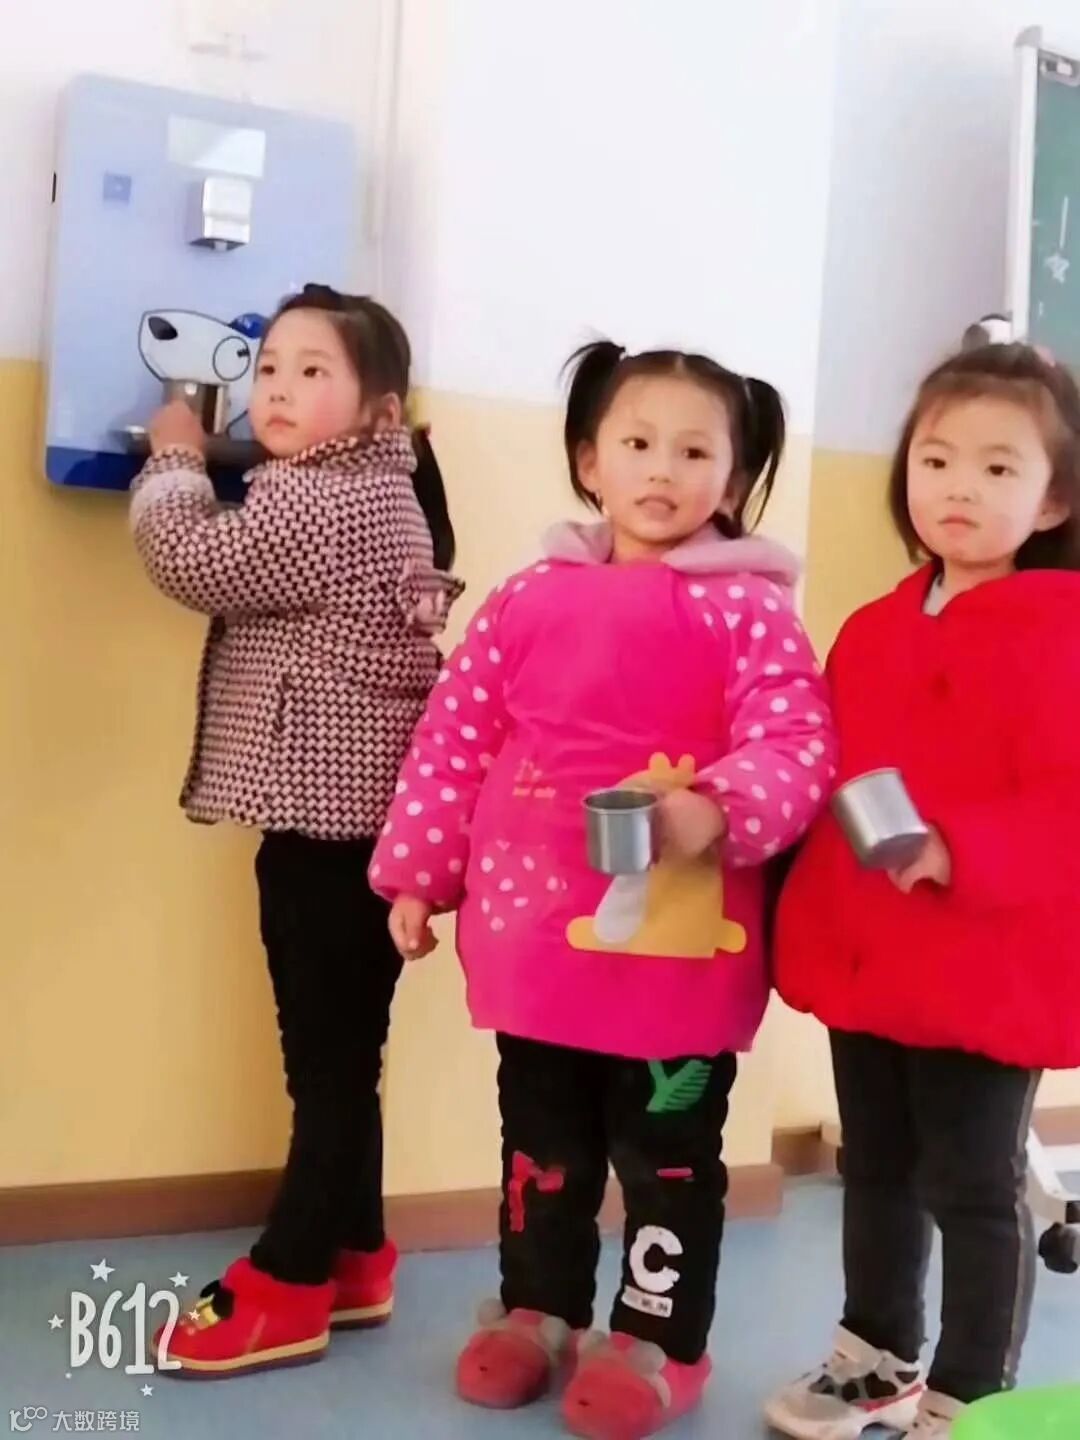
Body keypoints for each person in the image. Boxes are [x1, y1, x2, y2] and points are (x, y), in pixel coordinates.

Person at [370, 338, 836, 1438]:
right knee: (543, 1147)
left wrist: (714, 807)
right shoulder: (528, 597)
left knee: (667, 1158)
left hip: (679, 958)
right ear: (590, 461)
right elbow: (455, 739)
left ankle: (658, 1337)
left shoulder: (752, 610)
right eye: (637, 443)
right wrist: (418, 874)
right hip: (536, 947)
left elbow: (798, 745)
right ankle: (536, 1309)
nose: (662, 469)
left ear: (734, 474)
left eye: (695, 451)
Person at [130, 284, 463, 1377]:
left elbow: (190, 560)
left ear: (379, 410)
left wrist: (175, 456)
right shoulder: (380, 490)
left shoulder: (323, 504)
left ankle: (288, 1281)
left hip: (330, 831)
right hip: (362, 829)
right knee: (343, 1058)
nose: (276, 388)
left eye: (313, 372)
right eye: (268, 367)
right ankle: (356, 1254)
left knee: (324, 1068)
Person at [765, 342, 1080, 1440]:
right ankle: (876, 1354)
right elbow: (827, 776)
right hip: (870, 956)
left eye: (999, 468)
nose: (959, 488)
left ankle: (972, 1390)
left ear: (1055, 499)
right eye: (937, 460)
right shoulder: (873, 626)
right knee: (879, 1168)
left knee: (974, 1187)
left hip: (989, 968)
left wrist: (965, 848)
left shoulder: (1067, 633)